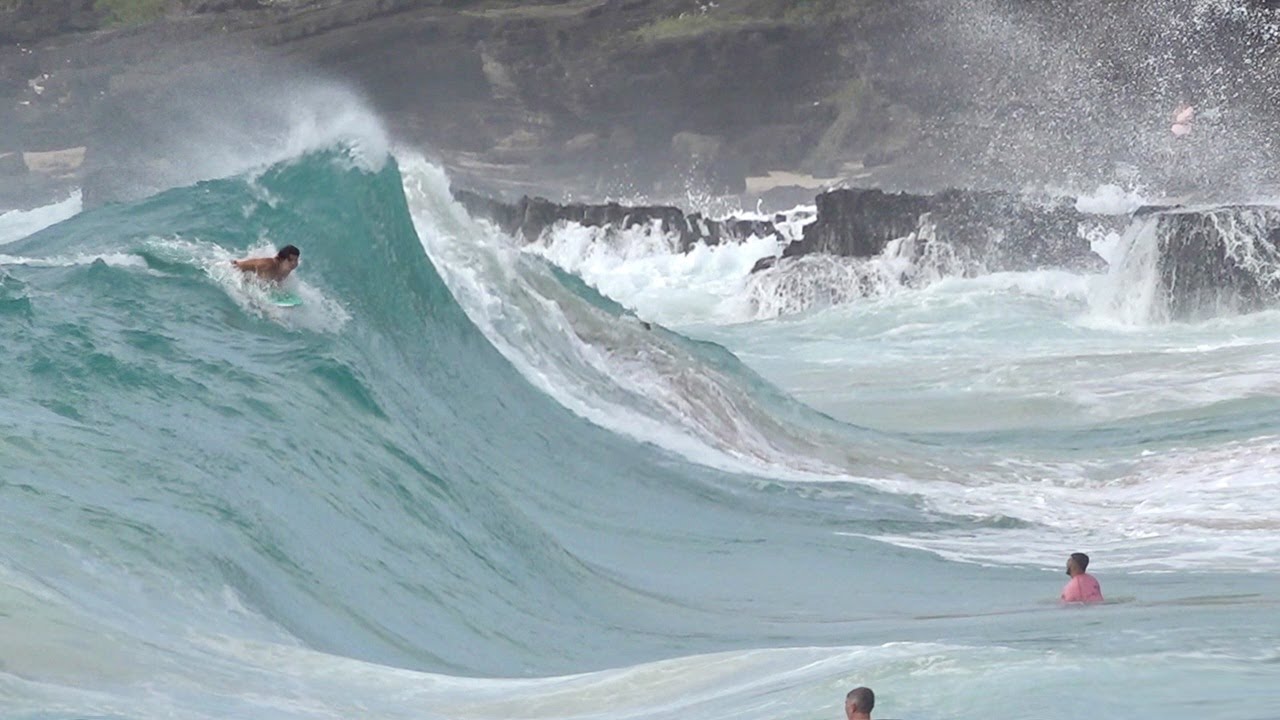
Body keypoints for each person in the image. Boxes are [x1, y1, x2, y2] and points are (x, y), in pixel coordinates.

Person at [232, 245, 300, 282]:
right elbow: (239, 265)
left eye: (296, 260)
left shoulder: (287, 268)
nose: (294, 263)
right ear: (282, 259)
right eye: (290, 260)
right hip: (237, 274)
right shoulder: (268, 265)